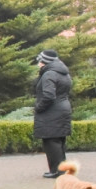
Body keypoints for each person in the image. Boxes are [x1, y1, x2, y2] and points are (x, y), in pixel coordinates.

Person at [34, 49, 73, 178]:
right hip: (63, 108)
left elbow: (49, 96)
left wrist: (38, 108)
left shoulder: (49, 74)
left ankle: (56, 171)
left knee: (51, 142)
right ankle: (63, 169)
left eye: (39, 61)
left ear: (44, 61)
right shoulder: (64, 73)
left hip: (52, 112)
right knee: (59, 141)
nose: (38, 63)